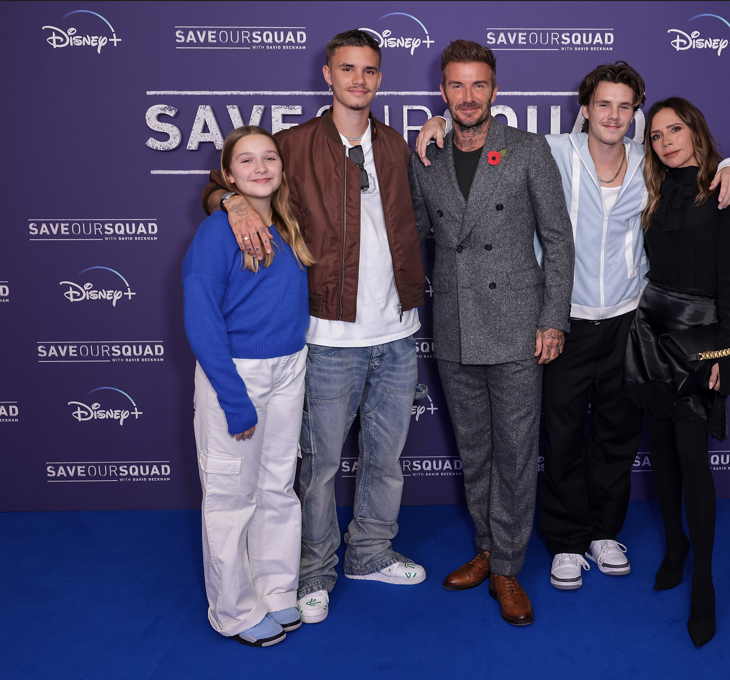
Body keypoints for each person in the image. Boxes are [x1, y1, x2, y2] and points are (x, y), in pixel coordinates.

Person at [414, 64, 730, 592]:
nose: (613, 116)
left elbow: (709, 169)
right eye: (603, 105)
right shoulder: (548, 151)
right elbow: (478, 138)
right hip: (562, 319)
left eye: (624, 107)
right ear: (586, 109)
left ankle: (603, 532)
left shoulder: (651, 162)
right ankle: (567, 540)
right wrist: (438, 121)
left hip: (630, 321)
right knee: (563, 433)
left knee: (617, 434)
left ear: (635, 112)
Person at [200, 30, 429, 626]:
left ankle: (370, 552)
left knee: (386, 458)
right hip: (329, 336)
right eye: (348, 69)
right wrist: (229, 201)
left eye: (370, 70)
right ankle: (315, 571)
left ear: (380, 79)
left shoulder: (396, 145)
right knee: (318, 465)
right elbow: (234, 180)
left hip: (399, 330)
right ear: (327, 74)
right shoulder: (291, 146)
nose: (359, 80)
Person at [408, 40, 575, 626]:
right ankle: (486, 546)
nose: (468, 96)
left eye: (479, 85)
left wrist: (554, 319)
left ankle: (507, 566)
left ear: (495, 90)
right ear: (443, 92)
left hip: (517, 328)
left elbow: (558, 239)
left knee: (514, 453)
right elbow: (418, 230)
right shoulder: (424, 155)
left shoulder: (527, 150)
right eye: (457, 85)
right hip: (453, 325)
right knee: (474, 451)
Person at [624, 97, 730, 648]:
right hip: (651, 329)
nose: (665, 140)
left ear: (696, 130)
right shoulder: (652, 190)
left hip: (700, 338)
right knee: (664, 451)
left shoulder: (725, 189)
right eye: (655, 135)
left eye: (675, 129)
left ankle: (704, 581)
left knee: (694, 457)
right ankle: (674, 546)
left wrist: (726, 353)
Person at [184, 125, 315, 647]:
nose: (260, 168)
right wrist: (233, 400)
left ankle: (276, 590)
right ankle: (234, 611)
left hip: (288, 368)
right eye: (246, 161)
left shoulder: (284, 222)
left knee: (277, 488)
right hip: (236, 375)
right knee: (230, 497)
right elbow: (201, 319)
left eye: (269, 158)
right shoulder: (218, 232)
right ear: (229, 174)